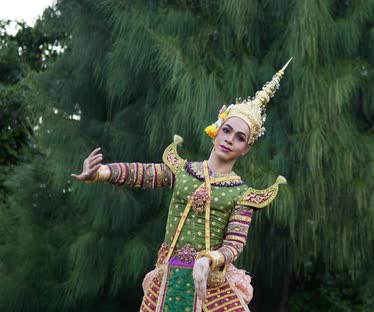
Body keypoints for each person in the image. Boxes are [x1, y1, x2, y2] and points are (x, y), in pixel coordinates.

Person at [71, 59, 291, 312]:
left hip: (212, 286)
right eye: (227, 130)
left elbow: (235, 244)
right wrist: (100, 172)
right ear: (217, 129)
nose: (230, 140)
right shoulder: (182, 171)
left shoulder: (242, 195)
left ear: (247, 148)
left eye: (240, 138)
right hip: (169, 277)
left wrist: (209, 259)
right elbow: (141, 173)